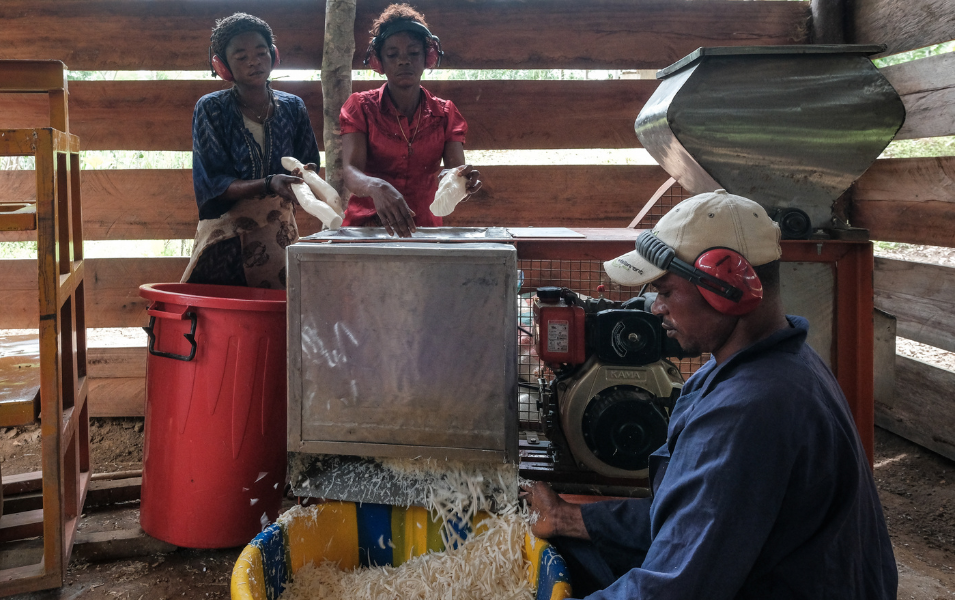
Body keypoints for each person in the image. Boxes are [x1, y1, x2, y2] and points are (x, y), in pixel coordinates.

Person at [522, 190, 898, 599]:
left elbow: (674, 590)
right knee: (564, 550)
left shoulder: (750, 410)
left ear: (728, 285)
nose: (654, 308)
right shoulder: (769, 364)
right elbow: (687, 517)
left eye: (665, 291)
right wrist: (564, 518)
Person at [183, 12, 321, 289]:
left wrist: (304, 174)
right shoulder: (211, 108)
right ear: (223, 66)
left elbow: (309, 161)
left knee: (280, 320)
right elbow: (215, 183)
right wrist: (270, 183)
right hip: (227, 240)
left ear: (274, 55)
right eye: (241, 56)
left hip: (279, 234)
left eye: (261, 52)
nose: (254, 61)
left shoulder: (293, 106)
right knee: (223, 322)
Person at [339, 3, 482, 238]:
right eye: (392, 54)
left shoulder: (445, 114)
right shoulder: (360, 107)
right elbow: (350, 170)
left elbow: (453, 170)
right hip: (366, 229)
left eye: (413, 53)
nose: (403, 61)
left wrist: (460, 181)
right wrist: (377, 186)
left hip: (424, 230)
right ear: (379, 62)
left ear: (428, 57)